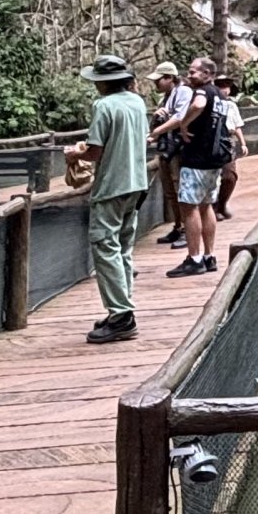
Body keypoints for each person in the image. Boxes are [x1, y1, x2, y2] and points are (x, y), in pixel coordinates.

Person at [71, 54, 151, 344]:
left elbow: (94, 152)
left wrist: (74, 154)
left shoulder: (103, 106)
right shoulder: (137, 102)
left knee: (104, 246)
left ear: (103, 83)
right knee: (123, 247)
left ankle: (121, 316)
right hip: (137, 184)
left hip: (112, 187)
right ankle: (121, 309)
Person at [166, 56, 230, 277]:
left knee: (189, 206)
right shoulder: (220, 96)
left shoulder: (202, 92)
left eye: (194, 71)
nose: (189, 75)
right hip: (214, 161)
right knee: (206, 205)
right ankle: (209, 256)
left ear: (207, 74)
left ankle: (194, 259)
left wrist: (183, 123)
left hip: (197, 160)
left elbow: (198, 104)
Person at [148, 61, 189, 248]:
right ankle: (178, 225)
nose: (155, 83)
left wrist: (157, 132)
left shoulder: (184, 93)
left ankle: (187, 230)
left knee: (180, 189)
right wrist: (156, 118)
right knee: (170, 191)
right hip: (166, 150)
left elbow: (180, 118)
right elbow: (156, 124)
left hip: (180, 150)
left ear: (169, 78)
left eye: (159, 79)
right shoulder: (164, 98)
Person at [212, 72, 246, 220]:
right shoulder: (210, 103)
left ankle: (222, 204)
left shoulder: (232, 105)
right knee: (212, 177)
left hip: (227, 141)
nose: (225, 90)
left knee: (229, 176)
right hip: (212, 141)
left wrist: (243, 143)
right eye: (221, 86)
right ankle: (213, 209)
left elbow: (237, 125)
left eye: (227, 86)